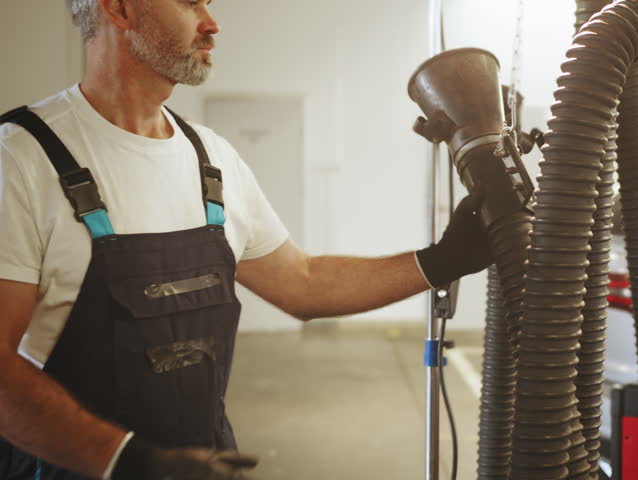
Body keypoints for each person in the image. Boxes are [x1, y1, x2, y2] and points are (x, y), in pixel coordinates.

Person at [0, 1, 492, 479]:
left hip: (207, 466)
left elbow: (302, 282)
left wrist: (443, 260)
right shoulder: (20, 161)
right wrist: (128, 462)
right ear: (120, 9)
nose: (212, 24)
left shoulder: (211, 158)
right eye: (190, 3)